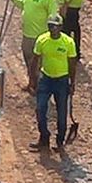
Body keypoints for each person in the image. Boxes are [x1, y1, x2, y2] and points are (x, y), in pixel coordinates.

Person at [34, 16, 77, 151]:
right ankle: (44, 138)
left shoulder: (68, 42)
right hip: (45, 79)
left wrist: (72, 82)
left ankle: (60, 141)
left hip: (62, 80)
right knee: (40, 109)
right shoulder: (42, 40)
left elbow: (72, 64)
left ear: (61, 27)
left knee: (62, 112)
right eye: (51, 25)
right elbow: (35, 60)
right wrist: (33, 79)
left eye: (56, 26)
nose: (53, 29)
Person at [14, 0, 59, 88]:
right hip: (27, 34)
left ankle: (37, 85)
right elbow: (22, 5)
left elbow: (53, 15)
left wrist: (52, 32)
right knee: (27, 58)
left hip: (40, 35)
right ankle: (32, 82)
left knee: (36, 63)